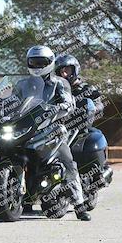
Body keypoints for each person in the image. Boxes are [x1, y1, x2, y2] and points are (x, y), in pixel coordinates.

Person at [22, 45, 91, 221]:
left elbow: (68, 102)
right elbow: (13, 100)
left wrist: (61, 107)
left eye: (41, 62)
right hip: (28, 129)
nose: (37, 66)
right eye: (34, 62)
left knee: (69, 163)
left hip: (53, 130)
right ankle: (17, 199)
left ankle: (80, 205)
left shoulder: (60, 83)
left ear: (50, 63)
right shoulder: (24, 84)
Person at [55, 54, 104, 132]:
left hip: (80, 129)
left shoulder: (87, 88)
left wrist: (92, 108)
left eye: (67, 70)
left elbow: (99, 105)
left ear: (75, 70)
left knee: (96, 136)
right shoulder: (56, 90)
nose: (64, 74)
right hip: (59, 129)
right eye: (61, 72)